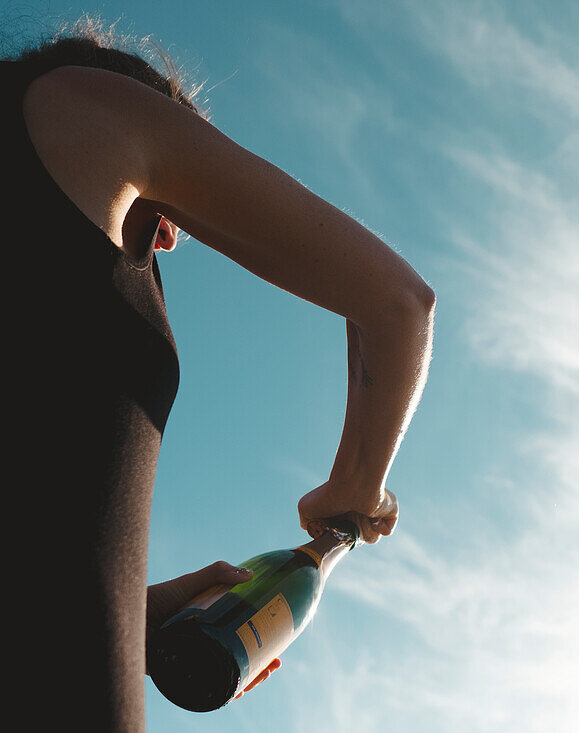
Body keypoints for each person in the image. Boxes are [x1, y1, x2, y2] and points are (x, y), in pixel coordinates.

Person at [3, 18, 434, 731]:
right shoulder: (77, 102)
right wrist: (356, 487)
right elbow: (398, 305)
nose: (172, 236)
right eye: (174, 204)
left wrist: (134, 622)